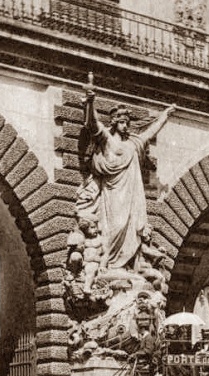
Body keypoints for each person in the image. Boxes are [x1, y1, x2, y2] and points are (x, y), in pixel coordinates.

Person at [77, 80, 176, 270]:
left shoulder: (133, 144)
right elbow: (92, 124)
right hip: (112, 195)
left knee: (129, 226)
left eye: (127, 123)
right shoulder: (106, 140)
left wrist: (164, 116)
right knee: (115, 226)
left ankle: (126, 263)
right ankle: (107, 262)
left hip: (131, 197)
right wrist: (90, 102)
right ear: (114, 123)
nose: (125, 126)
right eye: (121, 122)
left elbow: (149, 133)